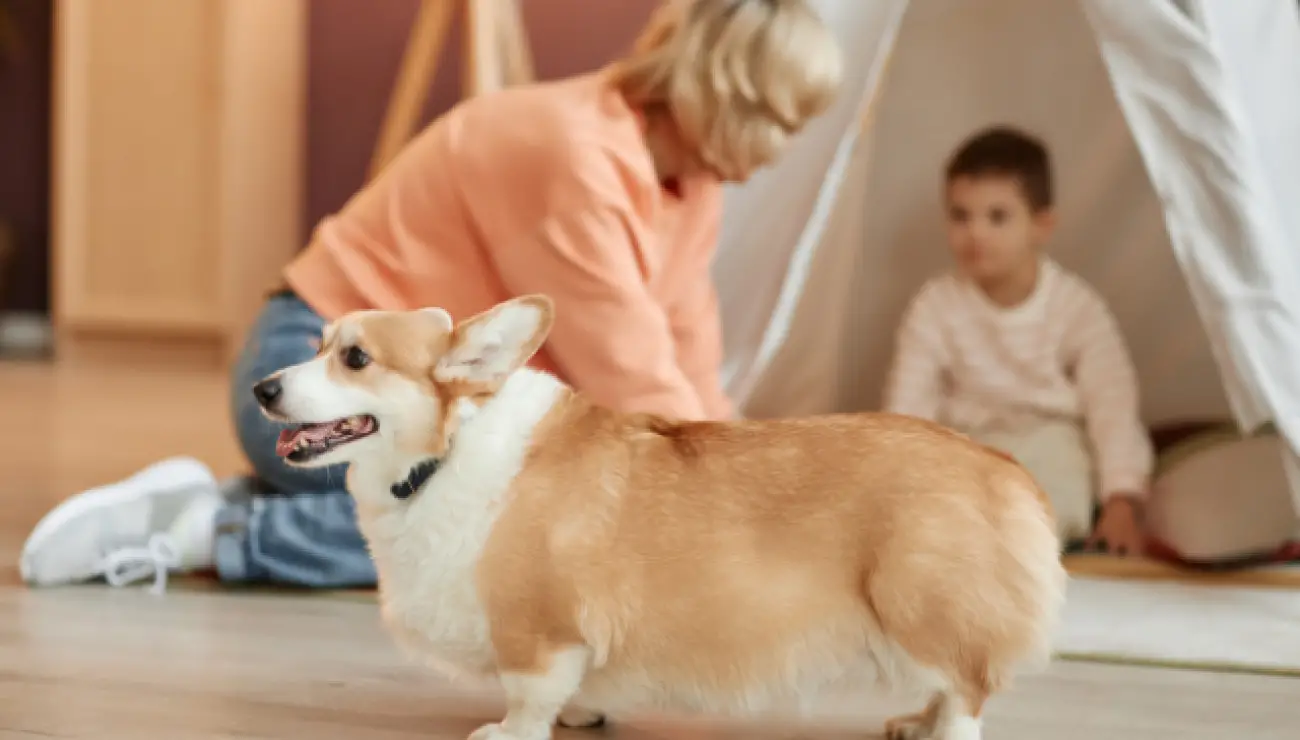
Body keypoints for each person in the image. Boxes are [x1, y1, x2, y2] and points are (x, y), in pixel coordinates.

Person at [20, 0, 843, 591]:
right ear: (726, 93)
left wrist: (745, 487)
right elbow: (631, 375)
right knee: (499, 527)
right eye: (784, 122)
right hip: (311, 364)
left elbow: (687, 359)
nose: (785, 150)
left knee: (546, 511)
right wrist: (743, 531)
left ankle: (236, 499)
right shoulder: (573, 155)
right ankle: (213, 533)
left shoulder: (686, 187)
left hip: (407, 409)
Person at [882, 126, 1154, 556]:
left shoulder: (1075, 307)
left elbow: (1112, 406)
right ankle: (973, 546)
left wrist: (1123, 498)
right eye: (960, 215)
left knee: (1056, 486)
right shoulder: (934, 306)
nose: (975, 233)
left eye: (997, 217)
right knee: (935, 497)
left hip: (1048, 438)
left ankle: (1016, 545)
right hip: (969, 441)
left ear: (1041, 225)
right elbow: (908, 408)